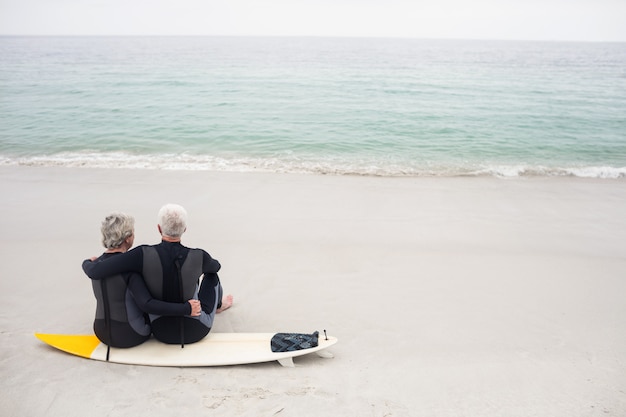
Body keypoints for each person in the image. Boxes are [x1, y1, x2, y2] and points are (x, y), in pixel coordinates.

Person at [83, 204, 233, 346]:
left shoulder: (142, 254)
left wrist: (88, 263)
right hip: (197, 330)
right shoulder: (200, 255)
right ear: (185, 229)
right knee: (212, 276)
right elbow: (216, 267)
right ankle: (218, 306)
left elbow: (98, 270)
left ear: (159, 228)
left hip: (161, 331)